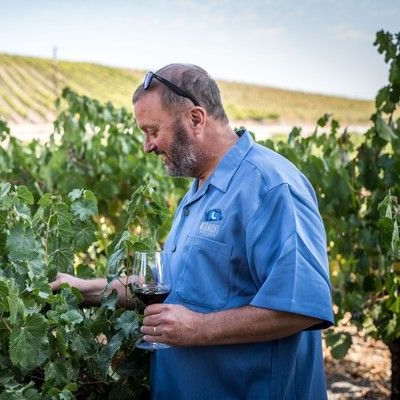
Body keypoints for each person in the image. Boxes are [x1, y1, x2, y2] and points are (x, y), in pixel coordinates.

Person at [51, 64, 334, 399]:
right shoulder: (198, 191)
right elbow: (171, 288)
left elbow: (301, 308)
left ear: (196, 119)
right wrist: (86, 290)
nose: (147, 146)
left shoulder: (271, 185)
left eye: (153, 131)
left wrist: (197, 329)